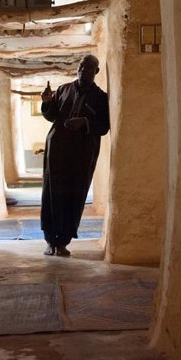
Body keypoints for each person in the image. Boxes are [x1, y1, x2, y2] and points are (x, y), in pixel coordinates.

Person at [39, 54, 110, 256]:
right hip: (56, 150)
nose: (82, 71)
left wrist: (84, 123)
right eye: (80, 67)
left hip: (81, 155)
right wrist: (46, 101)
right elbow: (51, 115)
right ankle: (49, 240)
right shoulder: (64, 89)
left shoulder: (101, 98)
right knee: (51, 194)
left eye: (88, 68)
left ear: (95, 72)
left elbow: (104, 127)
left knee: (74, 195)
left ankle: (63, 242)